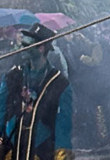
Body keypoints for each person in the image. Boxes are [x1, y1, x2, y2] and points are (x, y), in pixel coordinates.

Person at [0, 24, 73, 160]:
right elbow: (0, 109)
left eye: (27, 45)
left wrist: (62, 152)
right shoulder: (13, 76)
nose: (22, 49)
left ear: (41, 48)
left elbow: (63, 122)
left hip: (42, 148)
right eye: (22, 44)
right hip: (12, 147)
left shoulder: (60, 83)